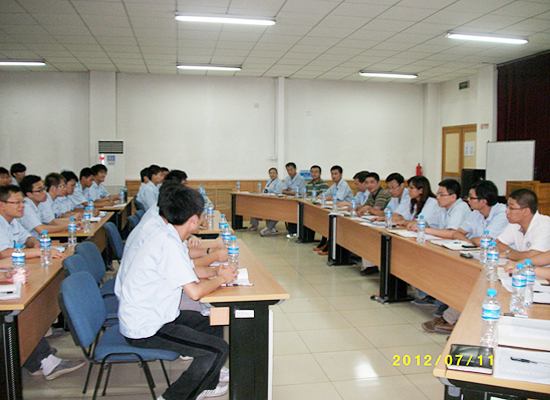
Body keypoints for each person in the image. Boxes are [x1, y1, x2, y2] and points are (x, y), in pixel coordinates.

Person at [117, 185, 237, 400]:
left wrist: (216, 272)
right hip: (147, 327)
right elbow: (194, 292)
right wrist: (221, 279)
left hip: (158, 314)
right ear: (193, 220)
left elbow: (189, 272)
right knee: (217, 350)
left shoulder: (169, 235)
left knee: (212, 321)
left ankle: (207, 384)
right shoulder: (168, 244)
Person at [410, 180, 470, 314]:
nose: (437, 197)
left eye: (441, 194)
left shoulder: (460, 208)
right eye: (438, 194)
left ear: (453, 197)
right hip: (444, 246)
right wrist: (417, 224)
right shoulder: (442, 208)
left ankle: (446, 303)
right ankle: (432, 295)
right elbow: (428, 222)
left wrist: (425, 229)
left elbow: (452, 233)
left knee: (441, 266)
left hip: (460, 250)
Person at [0, 185, 63, 259]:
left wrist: (36, 244)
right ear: (2, 205)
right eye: (17, 202)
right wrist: (40, 252)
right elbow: (3, 253)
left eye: (23, 202)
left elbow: (27, 238)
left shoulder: (13, 221)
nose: (22, 206)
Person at [18, 175, 78, 240]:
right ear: (29, 194)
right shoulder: (25, 207)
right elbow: (41, 229)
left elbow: (51, 222)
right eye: (40, 190)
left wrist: (72, 223)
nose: (44, 192)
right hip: (32, 243)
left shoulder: (39, 203)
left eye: (44, 189)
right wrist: (68, 226)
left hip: (42, 240)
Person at [496, 188, 550, 260]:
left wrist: (508, 254)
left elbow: (533, 257)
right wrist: (514, 254)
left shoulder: (544, 226)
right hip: (522, 265)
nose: (507, 211)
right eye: (507, 207)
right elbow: (497, 244)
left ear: (526, 211)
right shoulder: (515, 223)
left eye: (511, 208)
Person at [452, 180, 508, 246]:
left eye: (471, 198)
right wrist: (469, 243)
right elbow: (457, 234)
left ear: (483, 201)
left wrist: (471, 239)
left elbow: (483, 242)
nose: (468, 199)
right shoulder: (476, 212)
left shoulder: (502, 213)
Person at [261, 162, 305, 237]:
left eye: (291, 170)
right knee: (275, 209)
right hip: (287, 200)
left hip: (297, 202)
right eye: (288, 170)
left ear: (295, 169)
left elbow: (300, 193)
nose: (289, 172)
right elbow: (283, 191)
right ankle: (270, 227)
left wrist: (289, 191)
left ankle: (269, 228)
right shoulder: (287, 178)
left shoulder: (301, 179)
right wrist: (291, 192)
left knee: (280, 211)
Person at [249, 167, 283, 231]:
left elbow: (277, 193)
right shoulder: (269, 181)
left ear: (277, 174)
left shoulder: (279, 182)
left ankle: (270, 227)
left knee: (268, 210)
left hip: (273, 201)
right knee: (254, 207)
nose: (272, 175)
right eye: (270, 173)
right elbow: (265, 190)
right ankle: (254, 225)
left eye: (273, 173)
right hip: (266, 199)